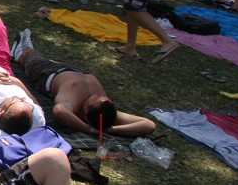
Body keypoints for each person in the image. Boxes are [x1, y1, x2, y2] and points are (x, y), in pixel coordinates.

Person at [12, 32, 156, 136]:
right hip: (76, 71)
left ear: (85, 110)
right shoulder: (106, 110)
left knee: (31, 58)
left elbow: (59, 112)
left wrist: (92, 130)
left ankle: (21, 50)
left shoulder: (75, 103)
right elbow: (149, 123)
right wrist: (105, 130)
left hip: (49, 74)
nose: (98, 94)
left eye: (95, 98)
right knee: (47, 60)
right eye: (103, 98)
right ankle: (25, 51)